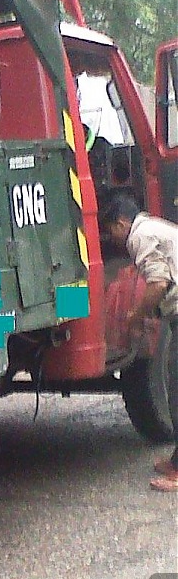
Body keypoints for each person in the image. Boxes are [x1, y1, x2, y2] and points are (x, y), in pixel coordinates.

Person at [102, 194, 178, 491]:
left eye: (111, 230)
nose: (113, 239)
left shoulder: (140, 236)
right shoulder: (154, 227)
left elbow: (158, 282)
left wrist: (137, 314)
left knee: (177, 389)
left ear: (122, 223)